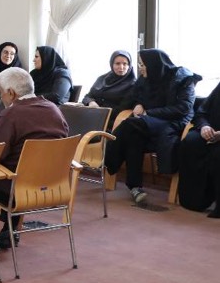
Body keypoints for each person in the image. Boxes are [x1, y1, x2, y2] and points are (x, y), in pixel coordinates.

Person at [0, 67, 70, 253]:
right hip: (52, 187)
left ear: (11, 93)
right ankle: (8, 231)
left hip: (17, 191)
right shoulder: (54, 110)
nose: (1, 97)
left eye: (1, 92)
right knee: (16, 166)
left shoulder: (11, 115)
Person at [105, 49, 199, 204]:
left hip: (174, 122)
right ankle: (135, 187)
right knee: (133, 136)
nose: (140, 68)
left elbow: (183, 108)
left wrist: (148, 112)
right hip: (150, 120)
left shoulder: (183, 79)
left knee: (130, 124)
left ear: (154, 65)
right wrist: (138, 104)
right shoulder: (146, 78)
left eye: (143, 65)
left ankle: (108, 159)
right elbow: (135, 97)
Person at [177, 85, 220, 217]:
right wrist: (204, 126)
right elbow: (202, 113)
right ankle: (194, 200)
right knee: (190, 142)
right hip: (211, 130)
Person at [81, 50, 138, 121]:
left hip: (112, 121)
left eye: (125, 64)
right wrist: (91, 102)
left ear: (129, 65)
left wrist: (100, 112)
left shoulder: (133, 85)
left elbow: (121, 109)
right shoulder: (102, 78)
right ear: (111, 64)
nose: (121, 67)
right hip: (92, 115)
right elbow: (88, 96)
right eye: (117, 63)